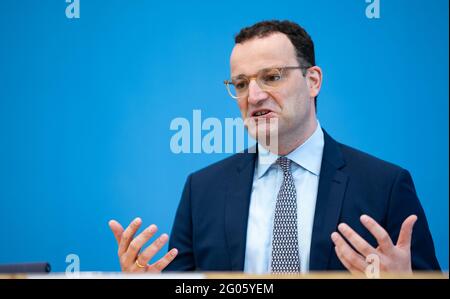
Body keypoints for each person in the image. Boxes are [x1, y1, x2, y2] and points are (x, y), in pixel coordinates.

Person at [108, 20, 440, 274]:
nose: (253, 96)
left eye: (272, 77)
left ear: (313, 81)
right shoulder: (202, 190)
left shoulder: (385, 186)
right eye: (240, 84)